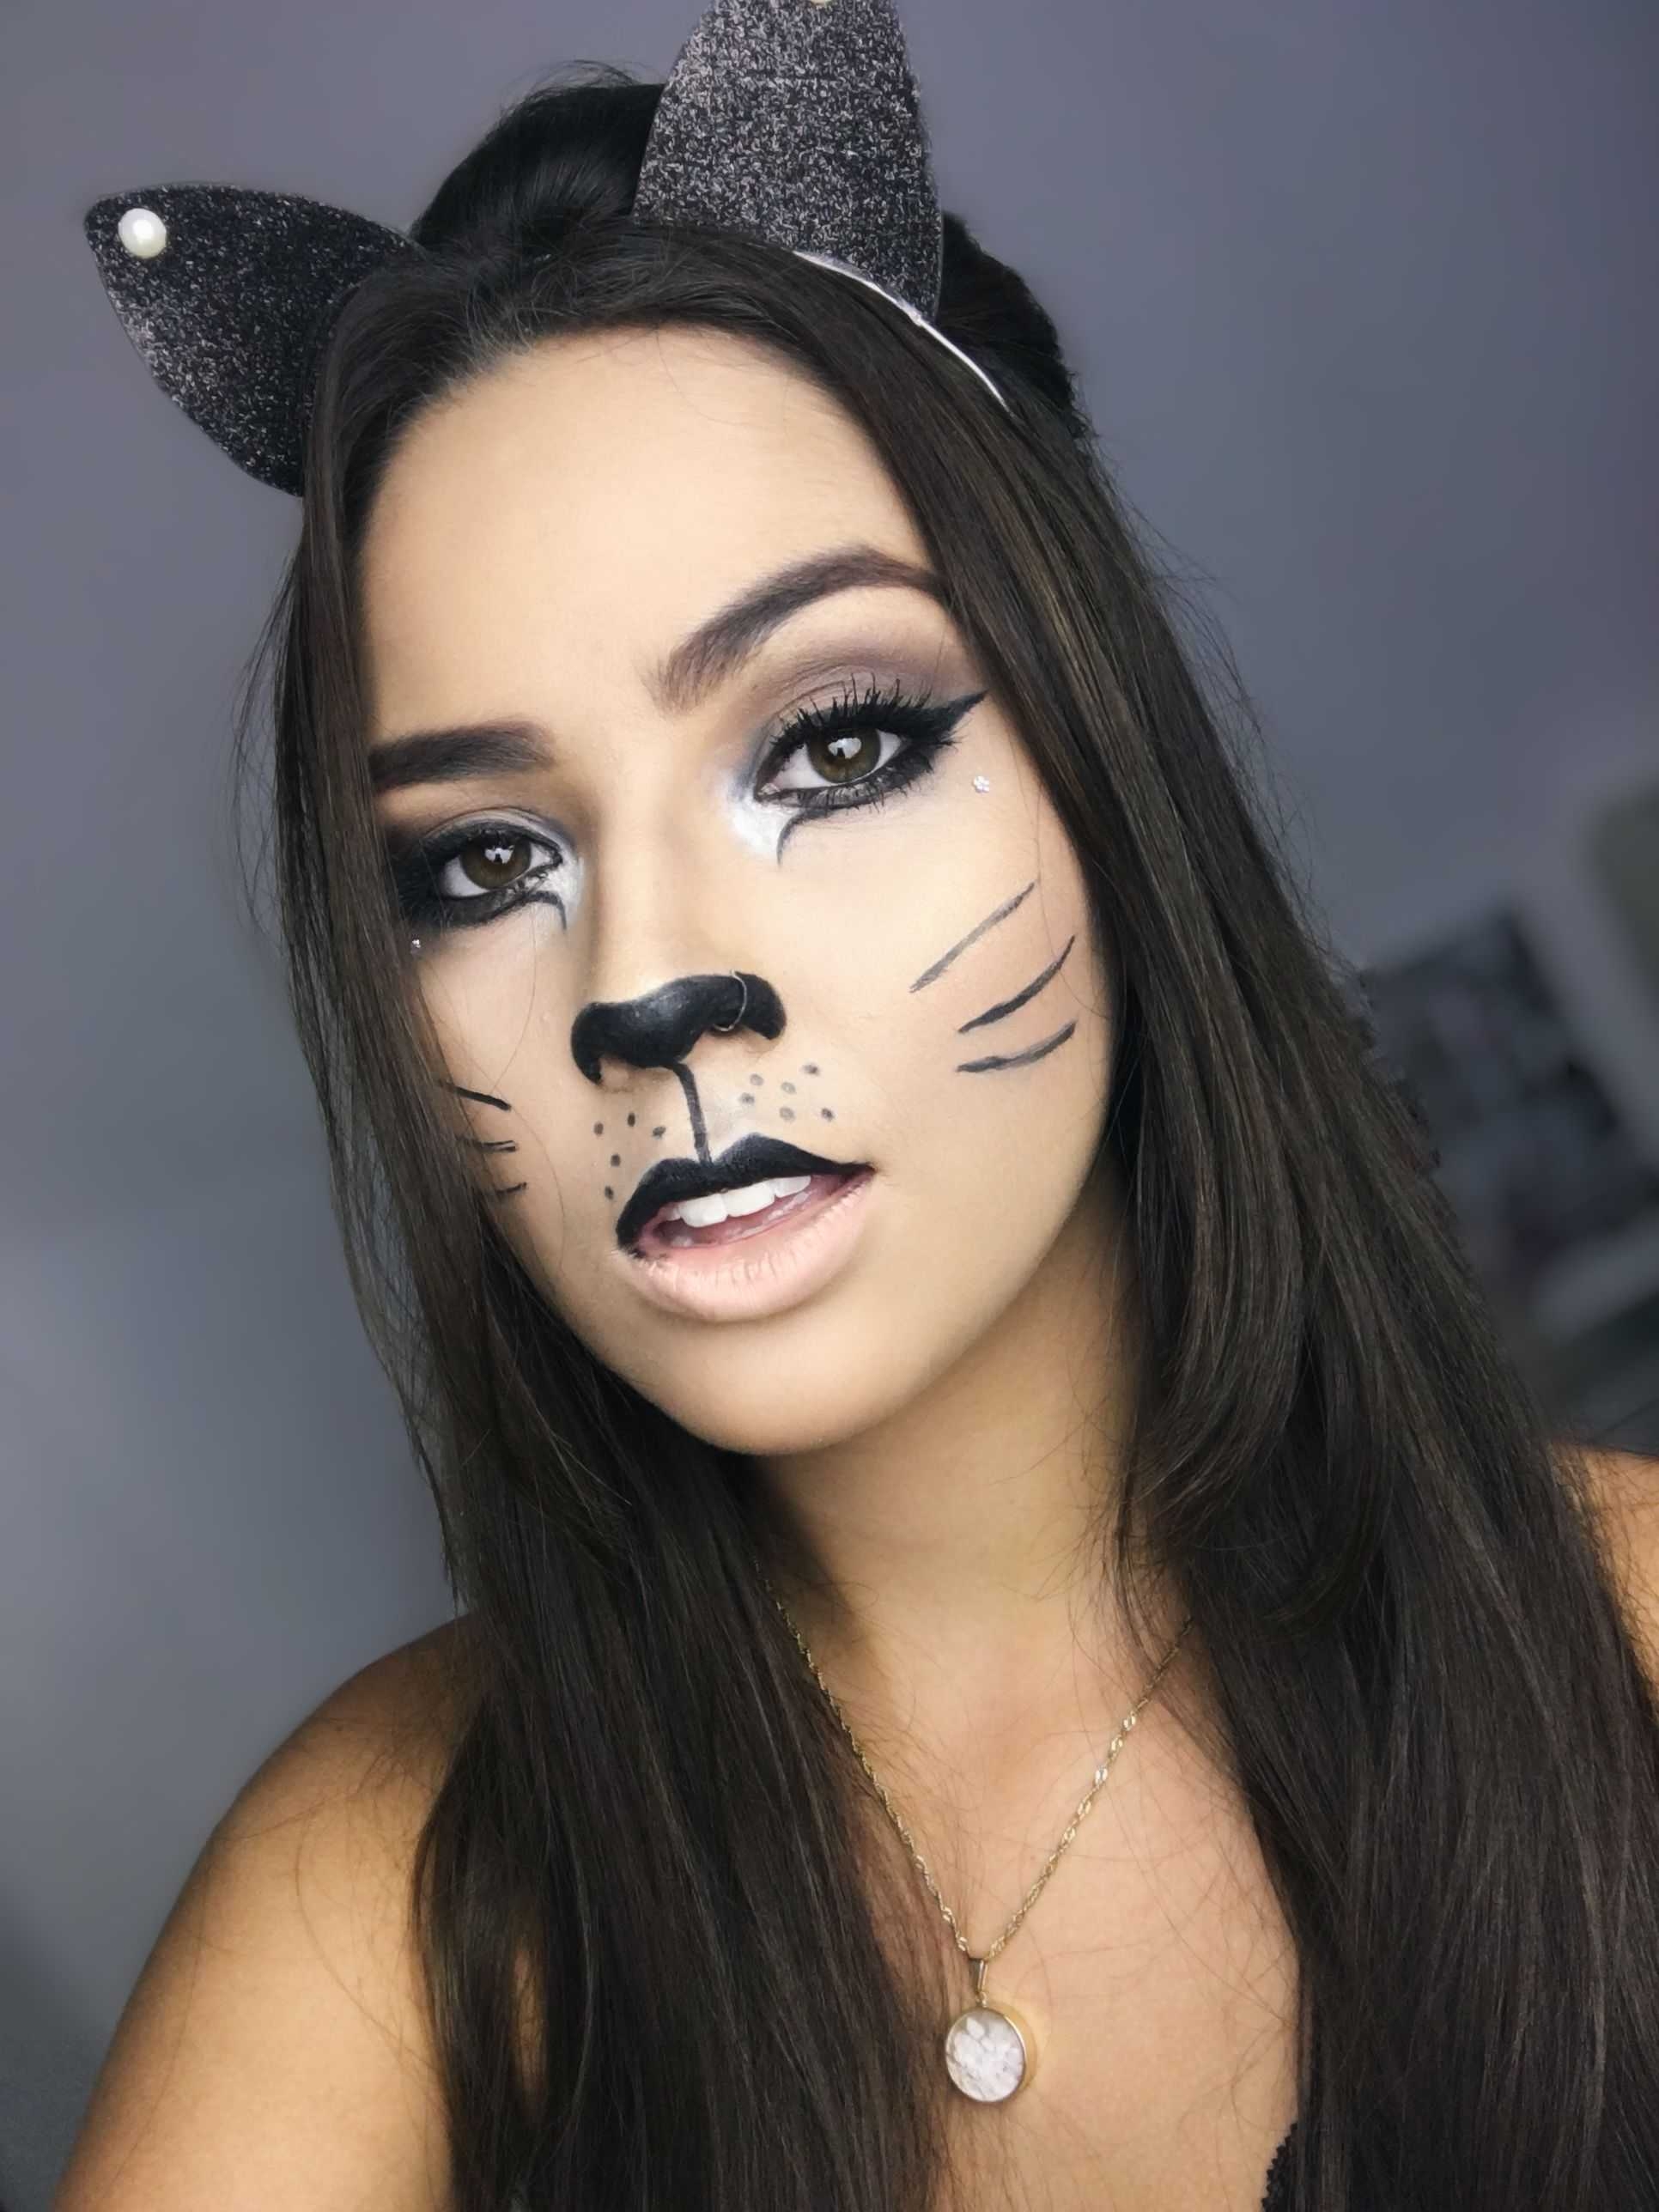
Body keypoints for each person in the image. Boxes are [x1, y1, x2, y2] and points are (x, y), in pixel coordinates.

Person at [58, 6, 1659, 2209]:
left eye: (834, 746)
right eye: (483, 864)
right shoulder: (384, 1904)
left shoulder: (1627, 1649)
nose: (645, 989)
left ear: (1108, 768)